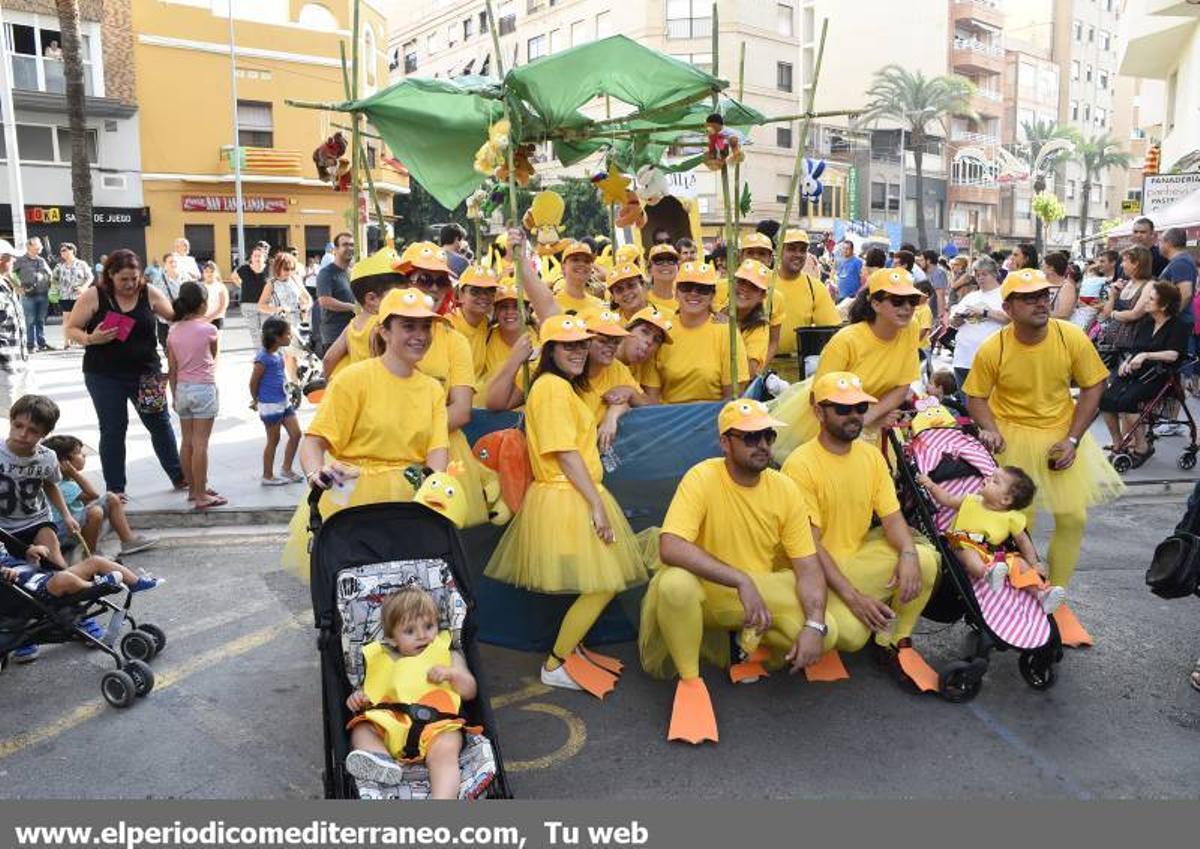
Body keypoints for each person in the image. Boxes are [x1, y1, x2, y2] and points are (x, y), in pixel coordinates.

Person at [639, 399, 834, 743]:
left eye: (767, 436)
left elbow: (808, 566)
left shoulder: (784, 488)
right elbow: (670, 545)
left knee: (828, 633)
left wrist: (814, 625)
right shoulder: (701, 476)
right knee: (674, 586)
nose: (761, 445)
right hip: (711, 590)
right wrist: (740, 579)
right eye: (749, 437)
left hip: (759, 594)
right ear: (724, 443)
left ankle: (745, 644)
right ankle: (690, 682)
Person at [484, 314, 647, 697]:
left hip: (572, 492)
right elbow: (564, 451)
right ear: (551, 350)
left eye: (580, 344)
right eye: (567, 345)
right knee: (603, 583)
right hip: (567, 495)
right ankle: (555, 662)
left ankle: (570, 651)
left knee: (597, 581)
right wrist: (595, 503)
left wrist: (616, 408)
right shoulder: (551, 388)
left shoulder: (561, 387)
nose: (577, 352)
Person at [963, 268, 1123, 601]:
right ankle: (1011, 597)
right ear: (1008, 308)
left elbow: (1095, 384)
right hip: (1012, 438)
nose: (1040, 302)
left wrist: (1074, 439)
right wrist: (989, 429)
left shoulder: (1070, 336)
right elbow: (975, 395)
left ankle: (1055, 598)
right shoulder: (995, 347)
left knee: (1073, 518)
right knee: (1018, 521)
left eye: (1043, 295)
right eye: (1028, 297)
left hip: (1060, 436)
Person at [779, 373, 938, 687]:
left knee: (924, 559)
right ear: (818, 412)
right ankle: (850, 615)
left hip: (858, 557)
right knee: (849, 637)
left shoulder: (870, 457)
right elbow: (809, 546)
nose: (853, 416)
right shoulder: (800, 464)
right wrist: (853, 598)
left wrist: (907, 554)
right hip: (814, 570)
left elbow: (892, 519)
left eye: (860, 407)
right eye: (841, 408)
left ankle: (894, 642)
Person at [281, 288, 452, 576]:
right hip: (352, 502)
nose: (420, 335)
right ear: (384, 331)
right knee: (358, 601)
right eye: (408, 326)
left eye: (426, 326)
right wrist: (315, 475)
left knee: (409, 605)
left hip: (409, 505)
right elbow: (314, 442)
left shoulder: (432, 389)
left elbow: (437, 451)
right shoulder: (353, 380)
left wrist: (431, 493)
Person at [64, 250, 184, 497]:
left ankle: (179, 476)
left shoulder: (148, 292)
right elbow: (71, 328)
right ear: (110, 276)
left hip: (146, 372)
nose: (130, 284)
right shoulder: (94, 296)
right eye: (124, 280)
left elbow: (174, 316)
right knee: (113, 429)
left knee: (160, 424)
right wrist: (90, 338)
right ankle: (116, 489)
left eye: (134, 278)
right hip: (104, 375)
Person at [770, 267, 923, 456]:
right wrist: (862, 419)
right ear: (875, 304)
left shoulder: (911, 328)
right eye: (898, 301)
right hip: (834, 420)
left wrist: (871, 417)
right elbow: (818, 398)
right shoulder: (847, 340)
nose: (907, 307)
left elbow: (903, 385)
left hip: (876, 419)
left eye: (913, 301)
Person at [344, 586, 476, 798]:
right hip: (391, 726)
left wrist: (452, 674)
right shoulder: (380, 661)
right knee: (361, 729)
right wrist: (358, 699)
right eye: (410, 631)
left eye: (429, 626)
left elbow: (470, 691)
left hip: (437, 727)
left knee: (445, 751)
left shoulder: (447, 655)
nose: (422, 636)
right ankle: (381, 760)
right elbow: (369, 696)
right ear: (392, 639)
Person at [918, 466, 1065, 612]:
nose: (987, 479)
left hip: (992, 554)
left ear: (1006, 499)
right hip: (961, 542)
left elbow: (1023, 542)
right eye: (991, 476)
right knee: (968, 552)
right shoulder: (970, 500)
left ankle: (1041, 593)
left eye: (995, 481)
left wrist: (1034, 563)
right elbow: (947, 499)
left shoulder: (1011, 518)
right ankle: (986, 573)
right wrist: (931, 485)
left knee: (1019, 562)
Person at [1099, 281, 1189, 464]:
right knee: (1105, 400)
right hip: (1137, 371)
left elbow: (1173, 354)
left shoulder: (1178, 325)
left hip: (1160, 375)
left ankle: (1142, 446)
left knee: (1127, 402)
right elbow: (1135, 349)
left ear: (1163, 305)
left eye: (1151, 299)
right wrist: (1127, 361)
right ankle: (1119, 443)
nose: (1145, 302)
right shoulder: (1147, 323)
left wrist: (1146, 355)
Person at [42, 434, 158, 557]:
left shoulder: (67, 482)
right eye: (79, 453)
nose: (84, 456)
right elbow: (93, 495)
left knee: (110, 500)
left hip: (73, 527)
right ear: (65, 462)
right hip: (62, 533)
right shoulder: (61, 485)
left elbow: (88, 501)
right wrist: (73, 472)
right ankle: (90, 555)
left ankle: (128, 540)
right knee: (98, 509)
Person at [655, 261, 749, 403]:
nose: (694, 293)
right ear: (676, 292)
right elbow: (651, 392)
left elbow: (734, 394)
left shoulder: (726, 332)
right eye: (686, 287)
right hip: (669, 418)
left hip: (713, 417)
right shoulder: (660, 329)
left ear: (712, 295)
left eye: (702, 289)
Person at [167, 282, 223, 510]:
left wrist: (173, 394)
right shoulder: (210, 330)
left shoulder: (173, 330)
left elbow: (171, 367)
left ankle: (193, 489)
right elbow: (213, 357)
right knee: (201, 444)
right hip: (203, 388)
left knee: (187, 442)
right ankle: (201, 494)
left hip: (182, 388)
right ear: (203, 304)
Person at [250, 317, 303, 486]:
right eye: (287, 334)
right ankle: (267, 475)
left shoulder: (278, 354)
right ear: (277, 338)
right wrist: (256, 399)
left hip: (283, 400)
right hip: (270, 405)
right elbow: (253, 382)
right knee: (273, 439)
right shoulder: (263, 358)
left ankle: (286, 469)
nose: (290, 337)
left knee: (296, 434)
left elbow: (281, 375)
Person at [771, 230, 840, 356]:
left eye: (802, 250)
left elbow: (832, 332)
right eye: (791, 249)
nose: (798, 254)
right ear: (779, 251)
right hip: (761, 365)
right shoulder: (763, 283)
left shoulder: (815, 287)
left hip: (798, 364)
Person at [947, 255, 1008, 388]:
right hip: (963, 359)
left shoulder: (1004, 295)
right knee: (966, 405)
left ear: (994, 274)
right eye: (977, 274)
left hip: (990, 361)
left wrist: (984, 312)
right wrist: (958, 318)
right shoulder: (971, 296)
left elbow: (1010, 319)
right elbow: (952, 322)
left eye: (984, 274)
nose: (980, 278)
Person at [1098, 246, 1155, 366]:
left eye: (1124, 261)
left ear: (1136, 263)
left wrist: (1113, 314)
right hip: (1114, 345)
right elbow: (1105, 313)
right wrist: (1113, 295)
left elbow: (1135, 314)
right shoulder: (1125, 284)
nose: (1121, 265)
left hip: (1134, 346)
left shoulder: (1150, 285)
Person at [447, 265, 499, 376]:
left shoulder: (487, 324)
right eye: (475, 291)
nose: (484, 296)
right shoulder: (448, 325)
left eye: (490, 290)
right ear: (461, 295)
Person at [0, 241, 30, 416]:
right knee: (5, 420)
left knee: (19, 416)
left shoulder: (6, 284)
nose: (14, 262)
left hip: (17, 363)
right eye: (11, 259)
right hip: (4, 366)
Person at [733, 259, 775, 376]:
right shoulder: (715, 309)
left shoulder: (759, 328)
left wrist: (730, 330)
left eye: (754, 286)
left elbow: (750, 371)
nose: (745, 288)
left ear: (762, 295)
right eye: (742, 281)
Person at [316, 232, 357, 354]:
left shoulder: (351, 272)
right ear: (335, 249)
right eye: (345, 245)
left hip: (353, 332)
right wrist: (352, 307)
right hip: (334, 336)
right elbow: (324, 301)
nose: (349, 248)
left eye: (351, 245)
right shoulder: (326, 273)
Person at [14, 238, 53, 353]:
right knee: (30, 321)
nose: (40, 247)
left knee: (40, 320)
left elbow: (50, 273)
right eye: (38, 245)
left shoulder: (41, 260)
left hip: (43, 294)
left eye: (40, 245)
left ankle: (42, 344)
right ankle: (31, 345)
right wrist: (16, 286)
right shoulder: (20, 260)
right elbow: (8, 273)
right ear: (29, 246)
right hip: (28, 295)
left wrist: (48, 282)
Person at [51, 242, 93, 344]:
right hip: (65, 296)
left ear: (72, 250)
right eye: (61, 251)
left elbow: (90, 277)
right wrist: (56, 287)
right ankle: (66, 342)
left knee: (82, 319)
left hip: (79, 296)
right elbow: (53, 279)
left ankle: (83, 340)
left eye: (65, 250)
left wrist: (83, 287)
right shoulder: (59, 266)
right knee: (66, 319)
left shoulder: (81, 264)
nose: (62, 253)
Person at [235, 242, 271, 349]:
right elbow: (234, 276)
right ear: (251, 257)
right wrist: (241, 286)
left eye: (260, 256)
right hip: (248, 304)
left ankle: (267, 352)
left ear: (264, 257)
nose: (257, 258)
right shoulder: (244, 269)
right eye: (255, 255)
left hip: (266, 304)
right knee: (255, 332)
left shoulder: (269, 269)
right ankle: (260, 355)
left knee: (267, 331)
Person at [554, 242, 605, 315]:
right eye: (575, 260)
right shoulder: (551, 305)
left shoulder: (599, 305)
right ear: (563, 267)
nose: (582, 264)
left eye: (587, 261)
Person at [152, 253, 185, 353]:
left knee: (183, 350)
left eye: (175, 262)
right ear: (165, 264)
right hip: (165, 322)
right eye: (171, 262)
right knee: (168, 349)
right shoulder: (158, 280)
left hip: (182, 321)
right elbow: (155, 301)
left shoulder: (185, 278)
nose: (173, 264)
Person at [645, 243, 681, 315]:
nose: (665, 264)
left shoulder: (685, 300)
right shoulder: (643, 301)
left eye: (671, 260)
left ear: (678, 267)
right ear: (649, 269)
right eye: (659, 260)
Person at [1043, 252, 1077, 320]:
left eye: (1043, 265)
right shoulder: (1042, 284)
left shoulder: (1067, 287)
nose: (1042, 269)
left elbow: (1063, 315)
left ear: (1051, 268)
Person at [916, 250, 948, 317]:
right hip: (930, 311)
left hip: (936, 313)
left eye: (922, 260)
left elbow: (940, 295)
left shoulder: (938, 273)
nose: (920, 263)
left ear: (928, 261)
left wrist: (941, 315)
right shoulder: (929, 272)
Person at [200, 261, 229, 331]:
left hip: (217, 319)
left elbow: (223, 305)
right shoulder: (200, 286)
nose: (209, 274)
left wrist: (211, 318)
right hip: (202, 319)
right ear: (203, 273)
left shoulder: (220, 287)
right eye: (206, 271)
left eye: (212, 271)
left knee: (215, 341)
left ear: (216, 273)